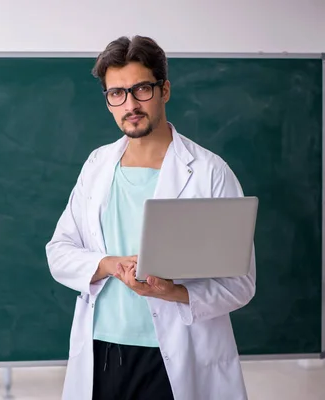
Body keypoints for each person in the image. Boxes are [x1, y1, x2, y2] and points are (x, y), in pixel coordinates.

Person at [45, 35, 256, 400]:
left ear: (165, 90)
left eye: (142, 89)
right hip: (103, 351)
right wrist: (109, 264)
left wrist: (171, 291)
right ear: (108, 101)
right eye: (117, 93)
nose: (130, 104)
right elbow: (59, 251)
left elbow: (240, 284)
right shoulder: (97, 166)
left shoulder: (208, 172)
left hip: (177, 353)